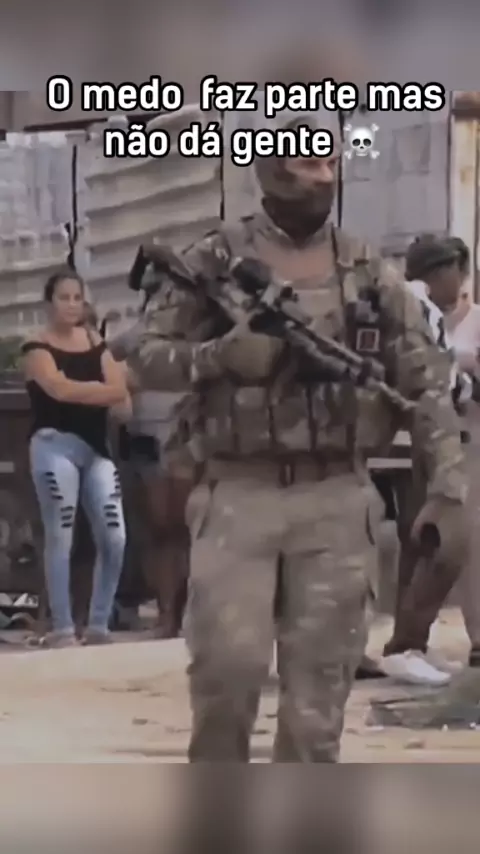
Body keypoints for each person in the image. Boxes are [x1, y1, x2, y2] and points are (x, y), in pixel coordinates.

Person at [131, 114, 467, 762]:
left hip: (337, 496)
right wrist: (220, 356)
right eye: (309, 163)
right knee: (227, 675)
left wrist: (449, 486)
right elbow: (143, 356)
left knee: (318, 704)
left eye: (331, 164)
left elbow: (425, 382)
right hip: (239, 494)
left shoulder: (365, 270)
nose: (323, 177)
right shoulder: (216, 259)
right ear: (272, 169)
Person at [380, 235, 471, 685]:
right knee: (440, 540)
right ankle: (405, 645)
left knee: (419, 542)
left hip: (404, 440)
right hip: (413, 441)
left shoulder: (406, 303)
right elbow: (431, 380)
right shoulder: (418, 308)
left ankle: (410, 642)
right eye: (460, 271)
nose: (463, 283)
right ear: (442, 270)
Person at [22, 268, 129, 648]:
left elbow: (119, 393)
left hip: (96, 448)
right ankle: (63, 627)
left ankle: (99, 623)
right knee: (60, 533)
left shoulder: (95, 342)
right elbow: (57, 389)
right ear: (49, 302)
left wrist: (92, 390)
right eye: (64, 297)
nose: (71, 305)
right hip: (54, 445)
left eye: (77, 298)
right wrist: (101, 389)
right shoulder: (36, 347)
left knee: (114, 536)